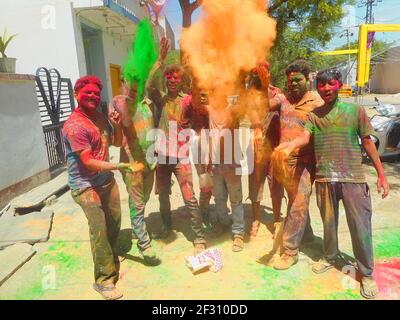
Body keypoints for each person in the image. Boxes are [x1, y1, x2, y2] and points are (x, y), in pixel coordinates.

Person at [275, 68, 390, 299]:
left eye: (331, 84)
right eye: (322, 85)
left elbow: (367, 142)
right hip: (325, 178)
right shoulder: (314, 115)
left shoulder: (355, 110)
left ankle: (366, 274)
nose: (326, 89)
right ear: (317, 87)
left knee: (360, 227)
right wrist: (291, 144)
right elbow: (304, 137)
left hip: (353, 179)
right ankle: (330, 257)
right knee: (329, 224)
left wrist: (381, 174)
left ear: (338, 85)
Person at [62, 75, 134, 300]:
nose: (93, 96)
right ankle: (103, 281)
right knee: (99, 230)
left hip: (105, 181)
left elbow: (115, 142)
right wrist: (118, 165)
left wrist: (116, 124)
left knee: (114, 222)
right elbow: (88, 162)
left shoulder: (101, 117)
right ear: (76, 95)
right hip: (85, 186)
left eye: (96, 93)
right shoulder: (75, 126)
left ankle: (110, 258)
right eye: (87, 92)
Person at [110, 37, 169, 266]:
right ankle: (144, 246)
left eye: (137, 81)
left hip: (149, 164)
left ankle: (137, 230)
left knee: (142, 203)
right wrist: (115, 125)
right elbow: (116, 141)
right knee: (137, 204)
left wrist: (160, 61)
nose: (133, 85)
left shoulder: (145, 102)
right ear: (123, 81)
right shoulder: (119, 103)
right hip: (132, 166)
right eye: (130, 81)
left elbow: (146, 81)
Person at [267, 60, 324, 270]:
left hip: (305, 164)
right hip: (283, 162)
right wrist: (264, 81)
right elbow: (263, 105)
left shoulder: (317, 102)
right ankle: (306, 235)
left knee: (298, 204)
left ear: (308, 79)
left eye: (298, 80)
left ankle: (290, 250)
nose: (293, 84)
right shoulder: (283, 99)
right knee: (294, 201)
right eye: (290, 81)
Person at [155, 64, 207, 255]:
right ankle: (166, 227)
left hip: (181, 155)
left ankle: (199, 237)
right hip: (161, 155)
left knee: (189, 196)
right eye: (169, 77)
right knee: (163, 195)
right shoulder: (159, 98)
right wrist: (159, 62)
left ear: (181, 80)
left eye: (176, 77)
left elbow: (200, 117)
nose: (172, 80)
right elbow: (149, 84)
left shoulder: (187, 100)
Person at [245, 62, 284, 237]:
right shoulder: (249, 94)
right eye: (257, 71)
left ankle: (276, 219)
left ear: (268, 72)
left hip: (275, 146)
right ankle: (256, 219)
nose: (260, 73)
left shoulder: (277, 93)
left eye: (264, 70)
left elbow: (270, 106)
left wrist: (266, 84)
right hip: (256, 146)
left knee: (276, 183)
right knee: (255, 183)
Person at [206, 83, 246, 252]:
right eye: (214, 93)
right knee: (219, 197)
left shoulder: (234, 110)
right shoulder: (209, 110)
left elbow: (244, 107)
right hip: (215, 163)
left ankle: (238, 233)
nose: (218, 97)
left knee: (236, 199)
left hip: (231, 162)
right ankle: (222, 223)